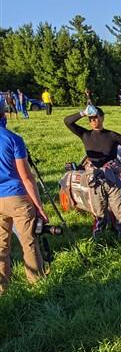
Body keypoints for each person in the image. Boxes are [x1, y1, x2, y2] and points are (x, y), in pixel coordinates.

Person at [64, 105, 121, 237]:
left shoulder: (112, 135)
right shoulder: (85, 135)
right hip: (95, 179)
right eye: (91, 118)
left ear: (102, 118)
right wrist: (83, 113)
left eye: (96, 117)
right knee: (98, 211)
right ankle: (99, 237)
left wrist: (120, 162)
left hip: (112, 178)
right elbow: (67, 121)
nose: (93, 121)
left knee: (119, 209)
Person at [0, 124, 47, 295]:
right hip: (17, 196)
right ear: (3, 114)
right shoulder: (13, 139)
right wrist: (39, 206)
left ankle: (2, 289)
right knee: (29, 243)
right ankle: (37, 286)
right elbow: (26, 177)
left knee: (1, 247)